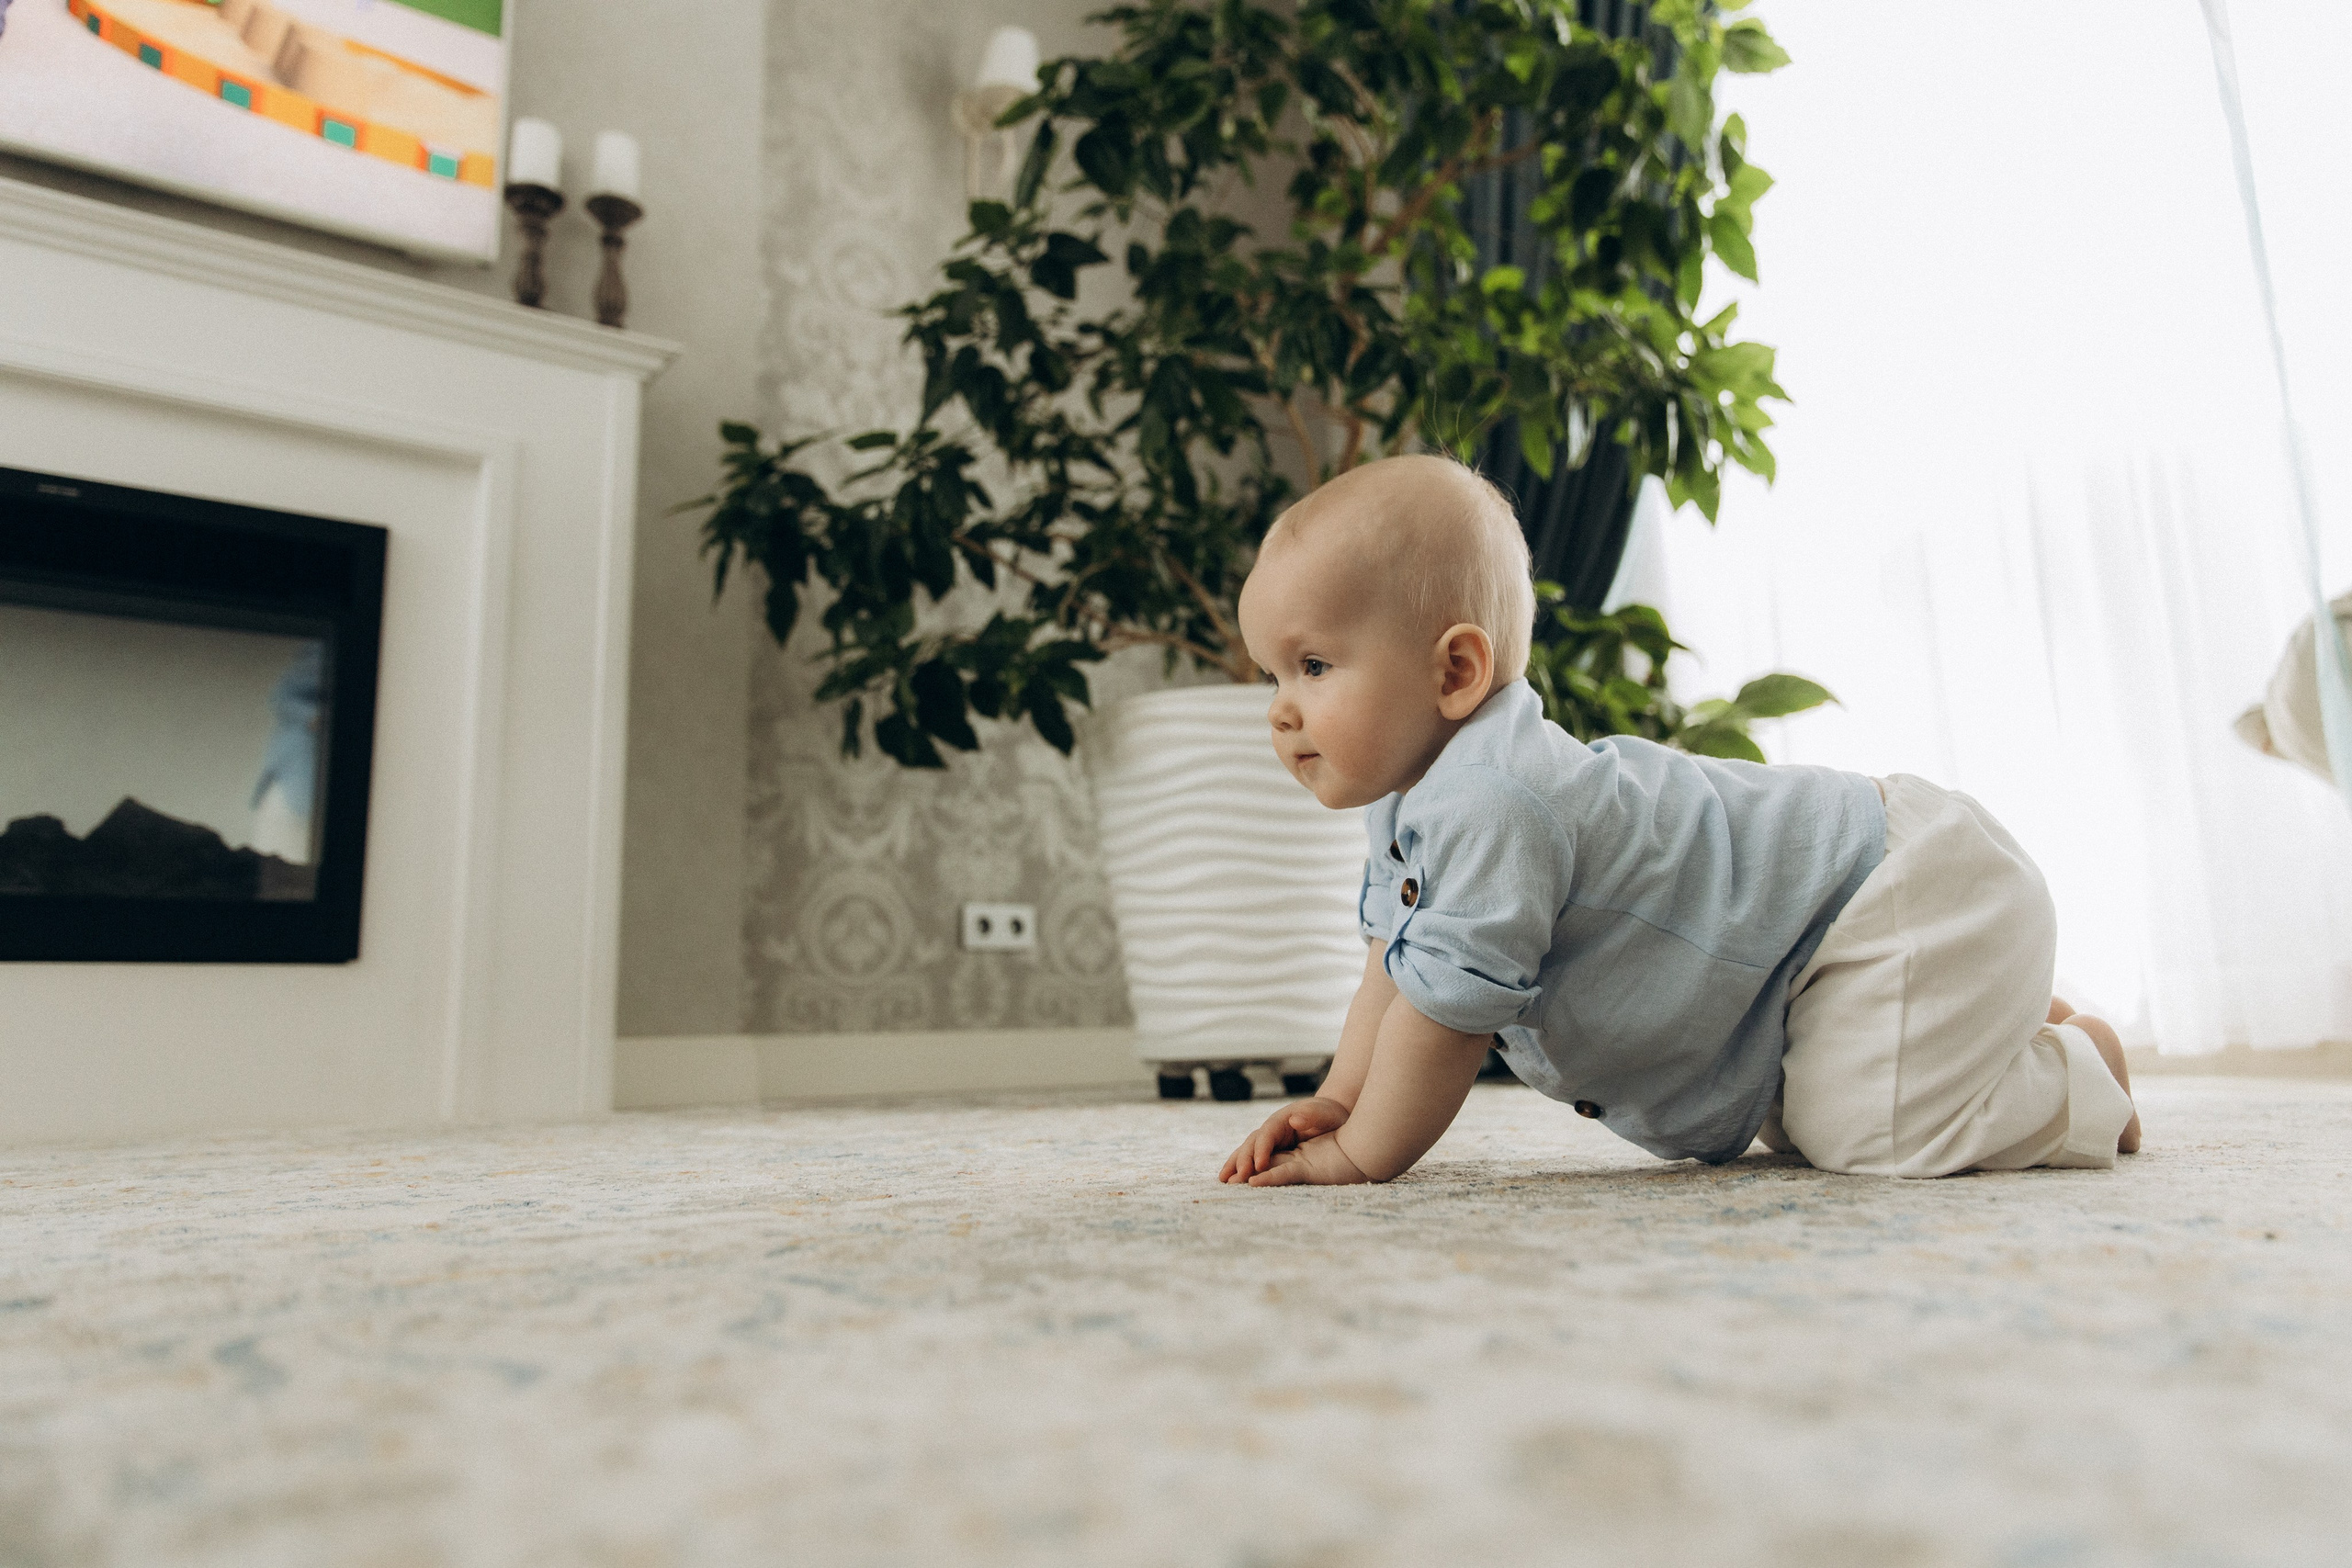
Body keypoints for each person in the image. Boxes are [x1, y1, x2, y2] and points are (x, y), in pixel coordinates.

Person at [1219, 455, 2140, 1187]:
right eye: (1271, 675)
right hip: (1808, 954)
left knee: (1866, 1129)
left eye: (1312, 668)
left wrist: (1359, 1153)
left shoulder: (1495, 802)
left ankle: (2074, 1071)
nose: (1280, 709)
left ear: (1455, 672)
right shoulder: (1408, 803)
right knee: (1791, 1109)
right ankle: (1974, 1014)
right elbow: (1395, 965)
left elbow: (1443, 1018)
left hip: (1894, 890)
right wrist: (1339, 1098)